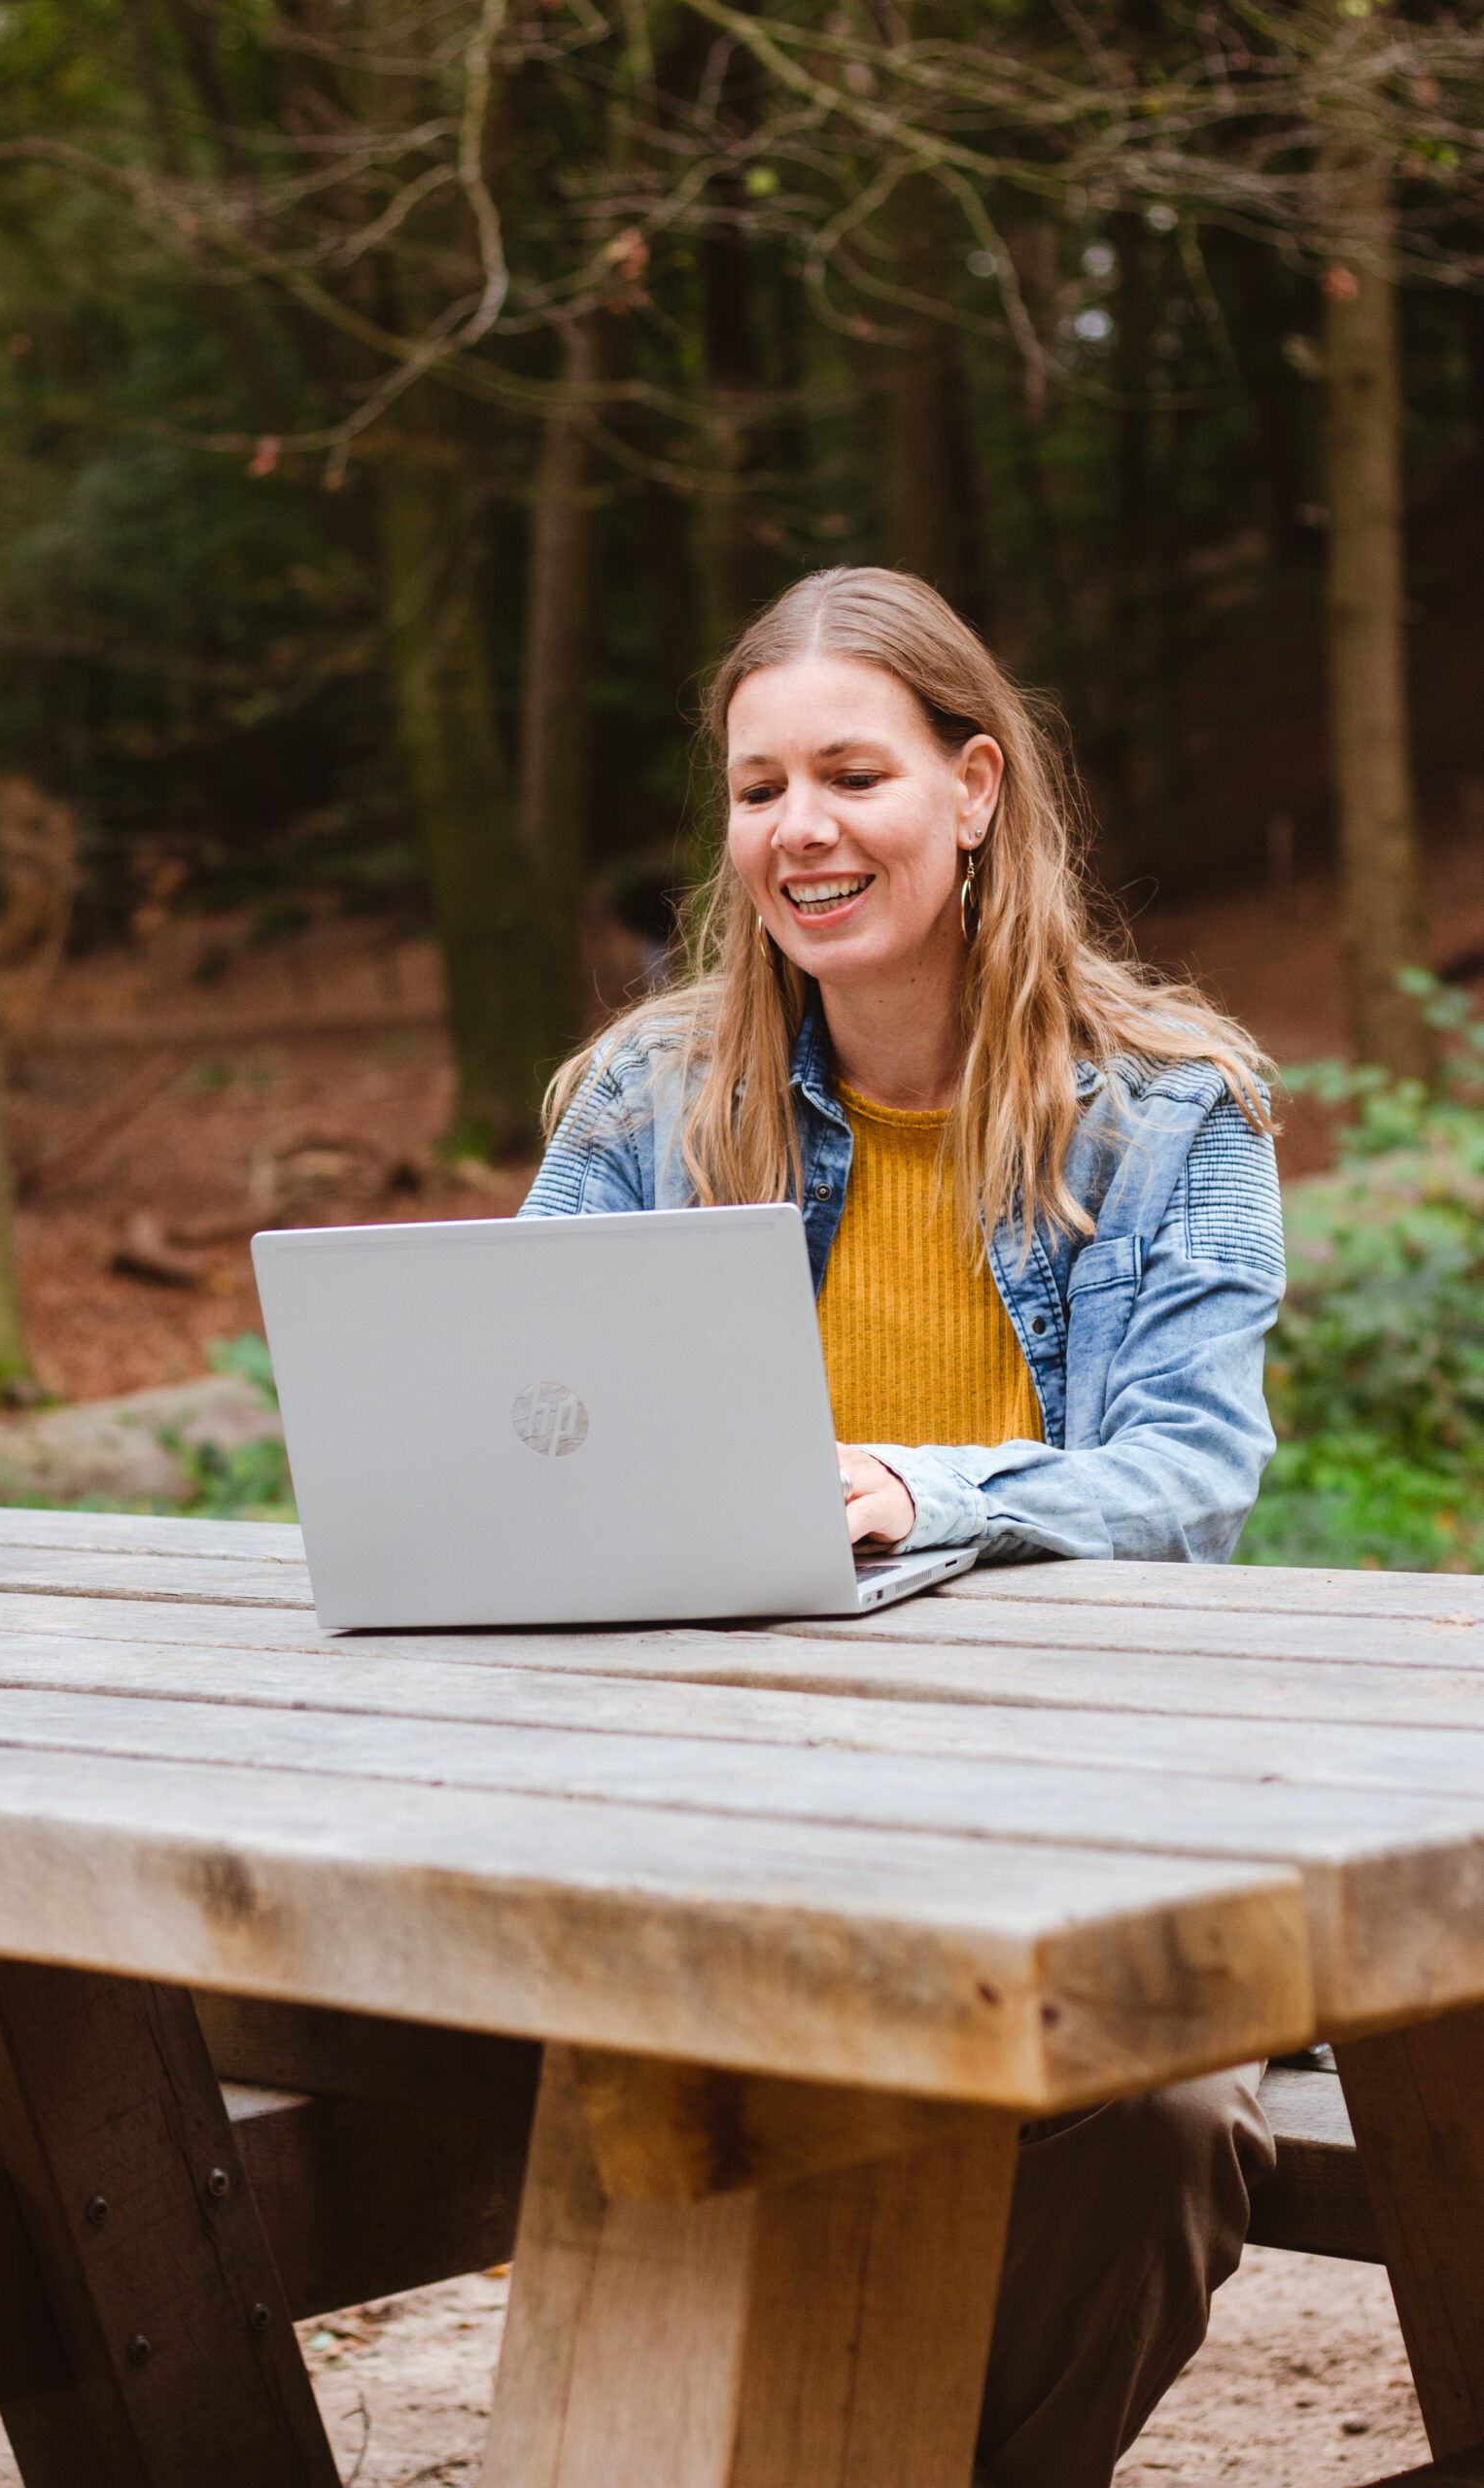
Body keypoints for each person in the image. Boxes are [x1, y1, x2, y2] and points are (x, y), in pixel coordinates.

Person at [520, 567, 1283, 2488]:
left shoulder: (1163, 1109)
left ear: (971, 786)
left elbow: (1187, 1476)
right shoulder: (644, 1098)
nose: (797, 830)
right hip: (715, 1801)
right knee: (629, 2092)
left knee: (1159, 2126)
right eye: (756, 786)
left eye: (847, 773)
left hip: (1085, 1797)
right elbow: (515, 1440)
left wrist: (905, 1484)